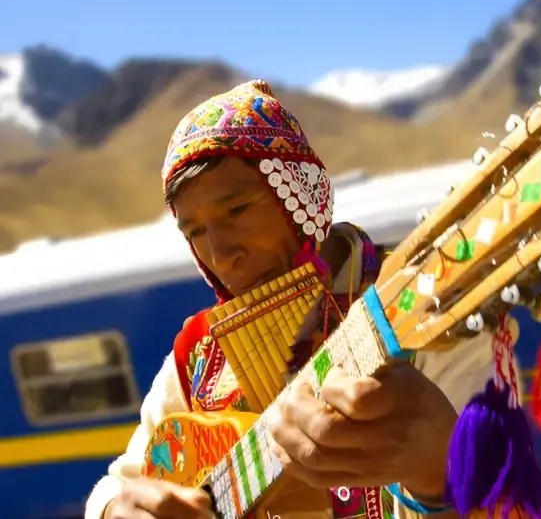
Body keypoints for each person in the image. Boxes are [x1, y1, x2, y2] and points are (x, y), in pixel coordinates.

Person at [86, 80, 497, 519]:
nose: (221, 254)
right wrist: (116, 508)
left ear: (298, 195)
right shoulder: (198, 356)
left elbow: (500, 494)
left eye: (237, 210)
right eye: (196, 232)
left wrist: (438, 478)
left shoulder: (422, 304)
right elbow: (118, 482)